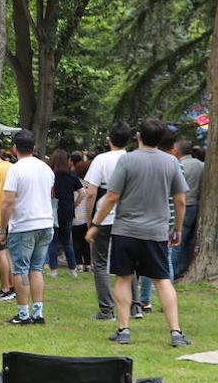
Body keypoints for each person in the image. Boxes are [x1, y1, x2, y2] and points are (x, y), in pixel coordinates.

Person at [86, 117, 191, 347]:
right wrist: (177, 229)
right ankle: (175, 332)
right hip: (156, 232)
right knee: (162, 280)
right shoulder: (171, 163)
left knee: (123, 278)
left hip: (125, 231)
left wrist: (95, 224)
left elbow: (112, 196)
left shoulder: (127, 160)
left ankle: (123, 329)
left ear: (139, 137)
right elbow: (181, 200)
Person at [0, 129, 55, 325]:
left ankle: (23, 314)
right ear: (34, 147)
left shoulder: (16, 169)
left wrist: (3, 229)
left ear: (14, 149)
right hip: (45, 223)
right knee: (36, 268)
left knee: (20, 269)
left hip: (23, 224)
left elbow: (7, 202)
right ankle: (38, 312)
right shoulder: (46, 169)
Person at [82, 122, 133, 321]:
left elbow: (89, 190)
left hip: (104, 214)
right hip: (127, 215)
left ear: (109, 139)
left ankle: (106, 309)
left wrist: (90, 219)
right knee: (130, 263)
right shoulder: (131, 158)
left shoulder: (101, 160)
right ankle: (135, 306)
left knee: (100, 262)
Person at [171, 138, 205, 277]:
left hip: (184, 205)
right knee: (189, 240)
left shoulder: (180, 166)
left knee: (176, 240)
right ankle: (181, 269)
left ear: (177, 151)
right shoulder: (201, 165)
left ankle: (171, 271)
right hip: (196, 205)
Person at [46, 149, 82, 277]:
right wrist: (75, 204)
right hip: (68, 210)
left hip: (54, 210)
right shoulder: (72, 175)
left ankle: (53, 270)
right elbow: (82, 192)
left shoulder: (51, 175)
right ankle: (73, 269)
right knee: (67, 242)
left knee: (53, 241)